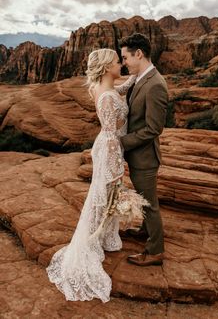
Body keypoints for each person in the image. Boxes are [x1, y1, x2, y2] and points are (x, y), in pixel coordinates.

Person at [46, 48, 134, 302]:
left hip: (106, 147)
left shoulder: (102, 88)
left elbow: (118, 91)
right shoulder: (106, 96)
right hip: (108, 150)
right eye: (118, 62)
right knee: (105, 195)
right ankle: (94, 240)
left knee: (104, 197)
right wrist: (116, 169)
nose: (122, 65)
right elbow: (109, 134)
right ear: (107, 67)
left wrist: (133, 80)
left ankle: (104, 237)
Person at [119, 33, 169, 266]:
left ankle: (155, 251)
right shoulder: (141, 78)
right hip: (138, 155)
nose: (124, 62)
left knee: (150, 204)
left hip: (146, 158)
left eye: (125, 57)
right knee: (145, 200)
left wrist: (122, 142)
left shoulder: (156, 85)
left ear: (138, 54)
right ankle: (145, 231)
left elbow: (153, 129)